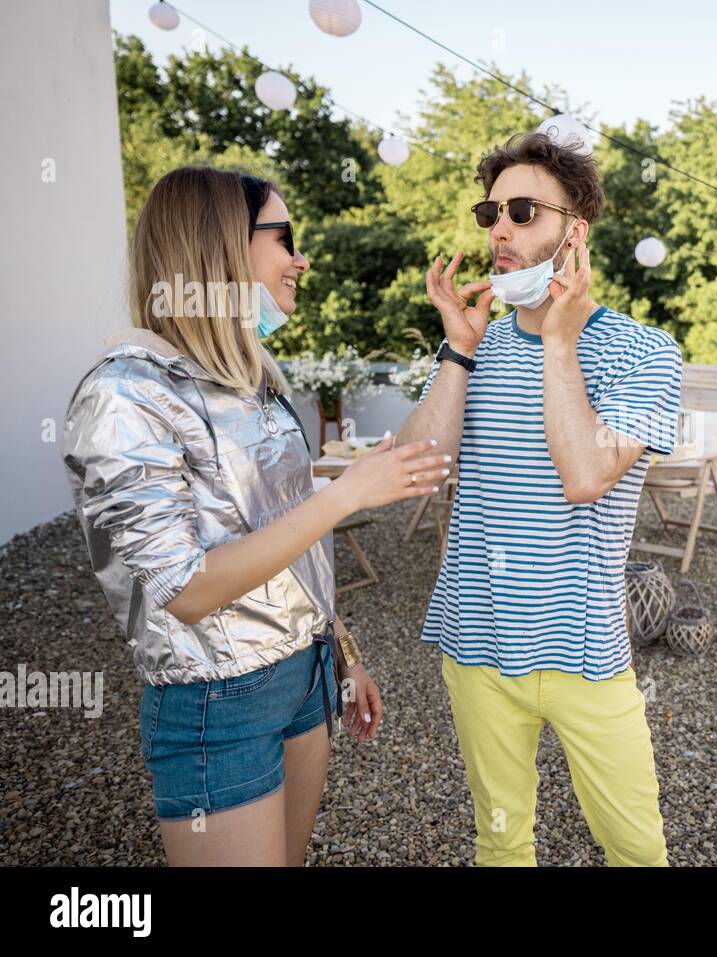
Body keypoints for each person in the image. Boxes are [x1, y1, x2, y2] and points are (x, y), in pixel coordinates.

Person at [62, 166, 451, 865]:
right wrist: (346, 493)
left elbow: (287, 533)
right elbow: (185, 589)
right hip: (219, 702)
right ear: (218, 248)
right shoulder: (125, 393)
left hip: (304, 675)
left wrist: (342, 649)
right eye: (285, 237)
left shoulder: (255, 379)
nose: (301, 258)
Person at [397, 132, 683, 866]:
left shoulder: (646, 352)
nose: (498, 229)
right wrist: (459, 348)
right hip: (477, 645)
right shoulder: (476, 344)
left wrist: (559, 343)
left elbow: (586, 475)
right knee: (501, 843)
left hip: (586, 650)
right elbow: (416, 469)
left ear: (573, 232)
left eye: (522, 211)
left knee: (637, 850)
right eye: (490, 211)